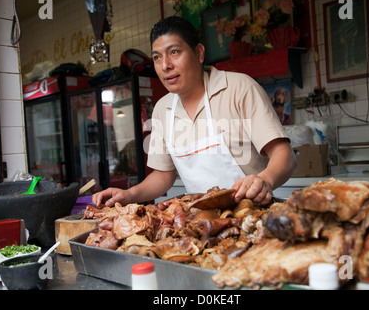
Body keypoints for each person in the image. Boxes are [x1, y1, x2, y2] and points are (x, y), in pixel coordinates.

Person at [92, 16, 296, 208]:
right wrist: (129, 195)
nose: (166, 66)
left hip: (253, 215)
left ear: (199, 53)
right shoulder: (163, 109)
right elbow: (163, 175)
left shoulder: (238, 88)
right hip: (202, 225)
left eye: (174, 52)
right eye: (157, 58)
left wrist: (265, 179)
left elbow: (284, 154)